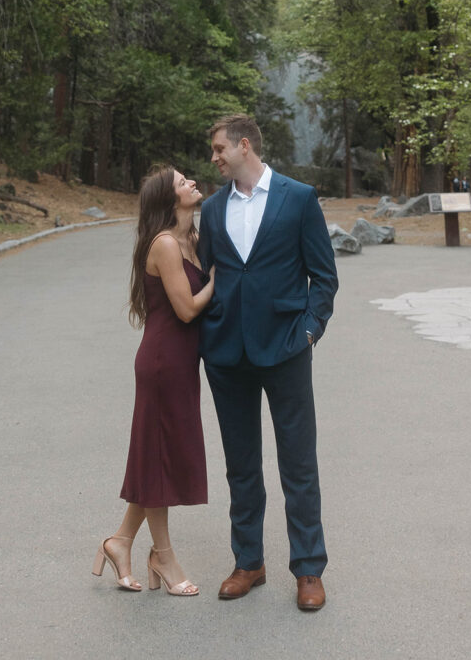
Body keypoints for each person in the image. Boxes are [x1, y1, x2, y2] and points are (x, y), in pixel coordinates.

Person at [198, 114, 338, 612]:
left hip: (286, 349)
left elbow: (324, 276)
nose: (213, 157)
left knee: (298, 463)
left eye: (218, 149)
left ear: (243, 145)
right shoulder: (213, 210)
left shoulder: (297, 198)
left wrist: (308, 331)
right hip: (227, 355)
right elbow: (207, 275)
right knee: (241, 466)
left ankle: (308, 569)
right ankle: (248, 562)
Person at [92, 166, 214, 597]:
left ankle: (120, 542)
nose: (193, 184)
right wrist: (218, 280)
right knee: (161, 458)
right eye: (184, 183)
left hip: (181, 363)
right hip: (163, 362)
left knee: (157, 455)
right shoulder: (164, 244)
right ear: (169, 198)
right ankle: (163, 556)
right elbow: (186, 309)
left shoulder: (192, 239)